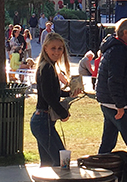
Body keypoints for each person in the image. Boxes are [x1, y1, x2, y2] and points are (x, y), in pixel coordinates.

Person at [30, 32, 81, 166]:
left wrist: (69, 94)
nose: (57, 52)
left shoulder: (48, 66)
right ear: (45, 48)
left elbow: (53, 93)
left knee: (47, 163)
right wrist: (63, 113)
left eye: (60, 48)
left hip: (42, 120)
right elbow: (48, 97)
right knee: (61, 161)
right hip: (43, 120)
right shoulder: (47, 67)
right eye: (53, 48)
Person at [95, 18, 127, 154]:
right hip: (117, 105)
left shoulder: (115, 49)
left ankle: (99, 167)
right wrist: (120, 105)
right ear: (125, 32)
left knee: (108, 143)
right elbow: (114, 80)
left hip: (109, 102)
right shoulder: (119, 51)